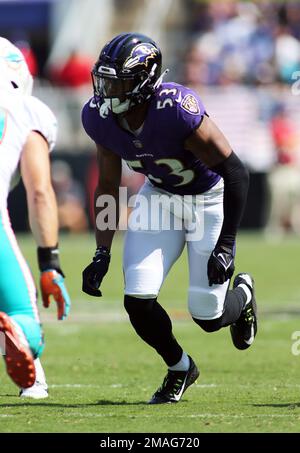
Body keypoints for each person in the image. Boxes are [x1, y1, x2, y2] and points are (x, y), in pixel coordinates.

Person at [81, 33, 257, 404]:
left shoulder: (176, 108)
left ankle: (243, 293)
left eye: (119, 82)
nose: (108, 90)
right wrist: (101, 252)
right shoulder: (100, 119)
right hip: (159, 198)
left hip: (208, 201)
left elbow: (236, 172)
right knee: (137, 298)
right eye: (105, 79)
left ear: (145, 81)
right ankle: (180, 367)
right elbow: (109, 185)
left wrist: (225, 246)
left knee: (207, 317)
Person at [0, 37, 71, 398]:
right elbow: (39, 190)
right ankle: (22, 345)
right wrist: (50, 262)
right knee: (25, 325)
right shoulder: (26, 109)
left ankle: (34, 377)